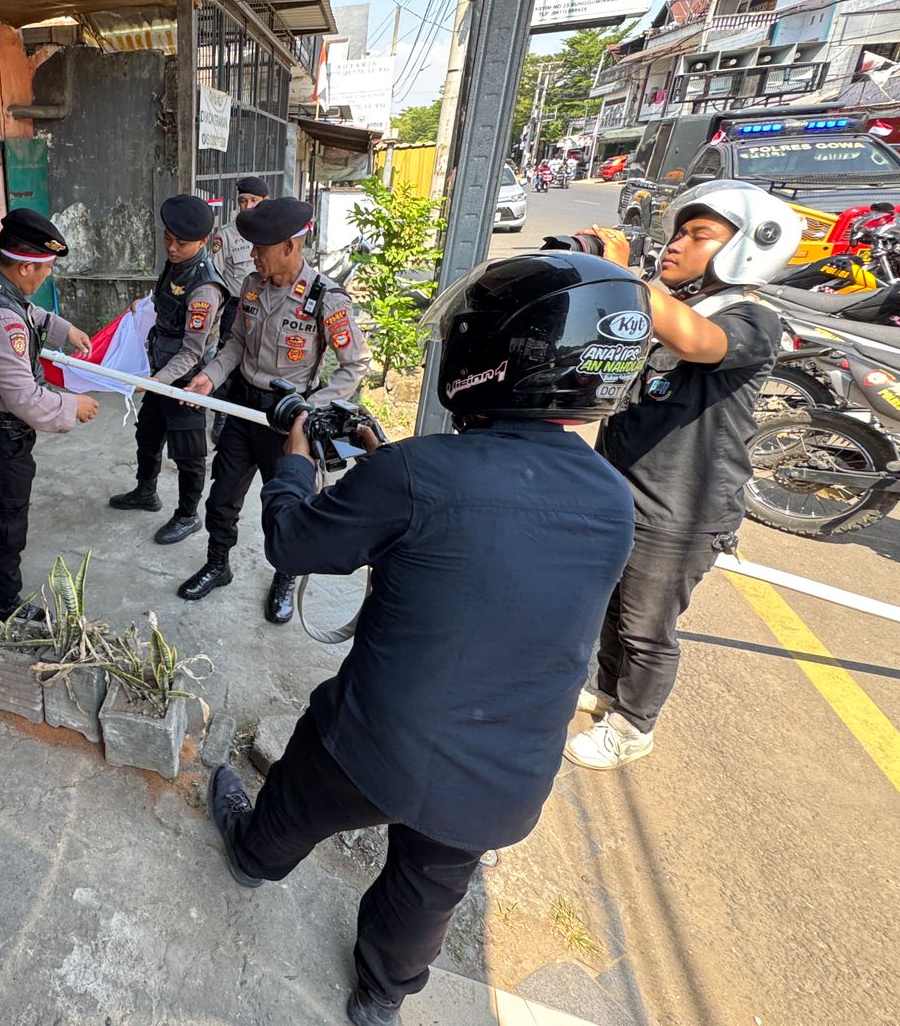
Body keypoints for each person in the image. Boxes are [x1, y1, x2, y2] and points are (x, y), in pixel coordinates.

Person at [205, 252, 650, 1026]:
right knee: (429, 887)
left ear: (490, 355)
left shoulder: (417, 475)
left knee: (301, 793)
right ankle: (380, 998)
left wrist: (297, 461)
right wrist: (388, 465)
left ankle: (252, 857)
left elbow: (295, 543)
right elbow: (491, 543)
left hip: (379, 743)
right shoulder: (613, 498)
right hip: (505, 772)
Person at [564, 180, 803, 770]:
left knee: (647, 627)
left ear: (748, 248)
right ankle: (609, 690)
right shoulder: (680, 306)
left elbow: (700, 344)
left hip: (681, 511)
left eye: (698, 235)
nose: (675, 244)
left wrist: (625, 276)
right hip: (625, 492)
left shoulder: (752, 320)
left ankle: (633, 726)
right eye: (676, 233)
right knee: (613, 608)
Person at [176, 197, 371, 623]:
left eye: (260, 247)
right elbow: (236, 345)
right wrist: (209, 376)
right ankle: (218, 564)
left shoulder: (325, 298)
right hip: (242, 409)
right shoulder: (251, 286)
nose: (253, 255)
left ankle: (285, 576)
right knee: (222, 497)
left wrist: (309, 409)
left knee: (288, 507)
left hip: (289, 425)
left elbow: (355, 364)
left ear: (289, 246)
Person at [0, 208, 97, 626]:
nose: (47, 277)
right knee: (7, 519)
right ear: (25, 266)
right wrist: (72, 406)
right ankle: (4, 603)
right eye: (46, 269)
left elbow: (23, 311)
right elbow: (25, 398)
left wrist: (63, 329)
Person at [107, 195, 226, 544]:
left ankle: (188, 516)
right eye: (167, 238)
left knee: (188, 452)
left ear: (203, 241)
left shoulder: (204, 288)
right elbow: (168, 306)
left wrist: (154, 381)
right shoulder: (177, 265)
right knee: (147, 434)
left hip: (187, 380)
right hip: (160, 370)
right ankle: (146, 492)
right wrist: (145, 305)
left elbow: (192, 351)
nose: (172, 248)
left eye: (181, 243)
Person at [208, 177, 266, 442]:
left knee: (261, 358)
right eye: (243, 201)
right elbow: (215, 275)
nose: (248, 206)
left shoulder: (274, 234)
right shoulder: (227, 235)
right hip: (236, 306)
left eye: (254, 200)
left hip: (268, 306)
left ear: (265, 202)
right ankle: (222, 414)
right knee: (228, 358)